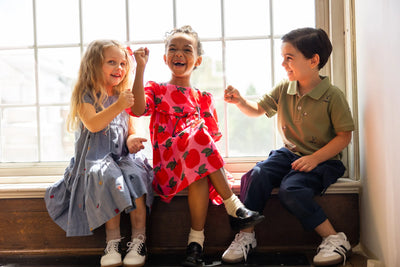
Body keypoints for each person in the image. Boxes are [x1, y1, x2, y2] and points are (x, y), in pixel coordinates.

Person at [127, 25, 264, 266]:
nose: (179, 54)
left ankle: (195, 245)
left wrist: (196, 133)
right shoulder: (156, 90)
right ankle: (233, 206)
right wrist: (140, 68)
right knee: (198, 139)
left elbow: (209, 144)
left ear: (197, 60)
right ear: (165, 58)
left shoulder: (203, 99)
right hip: (168, 167)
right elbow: (137, 109)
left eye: (186, 49)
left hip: (192, 166)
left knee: (199, 171)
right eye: (173, 49)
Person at [222, 27, 355, 266]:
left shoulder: (332, 96)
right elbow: (258, 110)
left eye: (289, 58)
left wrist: (315, 159)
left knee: (291, 189)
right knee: (257, 174)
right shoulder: (284, 89)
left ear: (313, 60)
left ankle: (335, 238)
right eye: (283, 58)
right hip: (289, 155)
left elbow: (344, 136)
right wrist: (241, 101)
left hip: (324, 160)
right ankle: (246, 235)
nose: (283, 63)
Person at [44, 40, 154, 267]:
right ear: (94, 65)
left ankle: (139, 239)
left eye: (123, 63)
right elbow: (94, 124)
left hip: (123, 157)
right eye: (111, 62)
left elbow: (134, 122)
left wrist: (132, 140)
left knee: (136, 177)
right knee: (107, 178)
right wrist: (117, 105)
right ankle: (112, 242)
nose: (119, 68)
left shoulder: (124, 93)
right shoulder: (87, 95)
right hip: (96, 159)